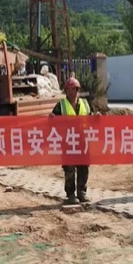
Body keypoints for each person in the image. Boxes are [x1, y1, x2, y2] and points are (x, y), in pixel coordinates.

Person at [51, 77, 95, 205]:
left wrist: (96, 117)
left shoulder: (85, 103)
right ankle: (70, 194)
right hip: (68, 142)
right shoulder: (60, 105)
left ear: (77, 90)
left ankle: (82, 192)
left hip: (82, 141)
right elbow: (52, 121)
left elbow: (91, 117)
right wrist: (52, 118)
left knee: (83, 167)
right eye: (68, 89)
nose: (71, 92)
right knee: (69, 168)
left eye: (73, 89)